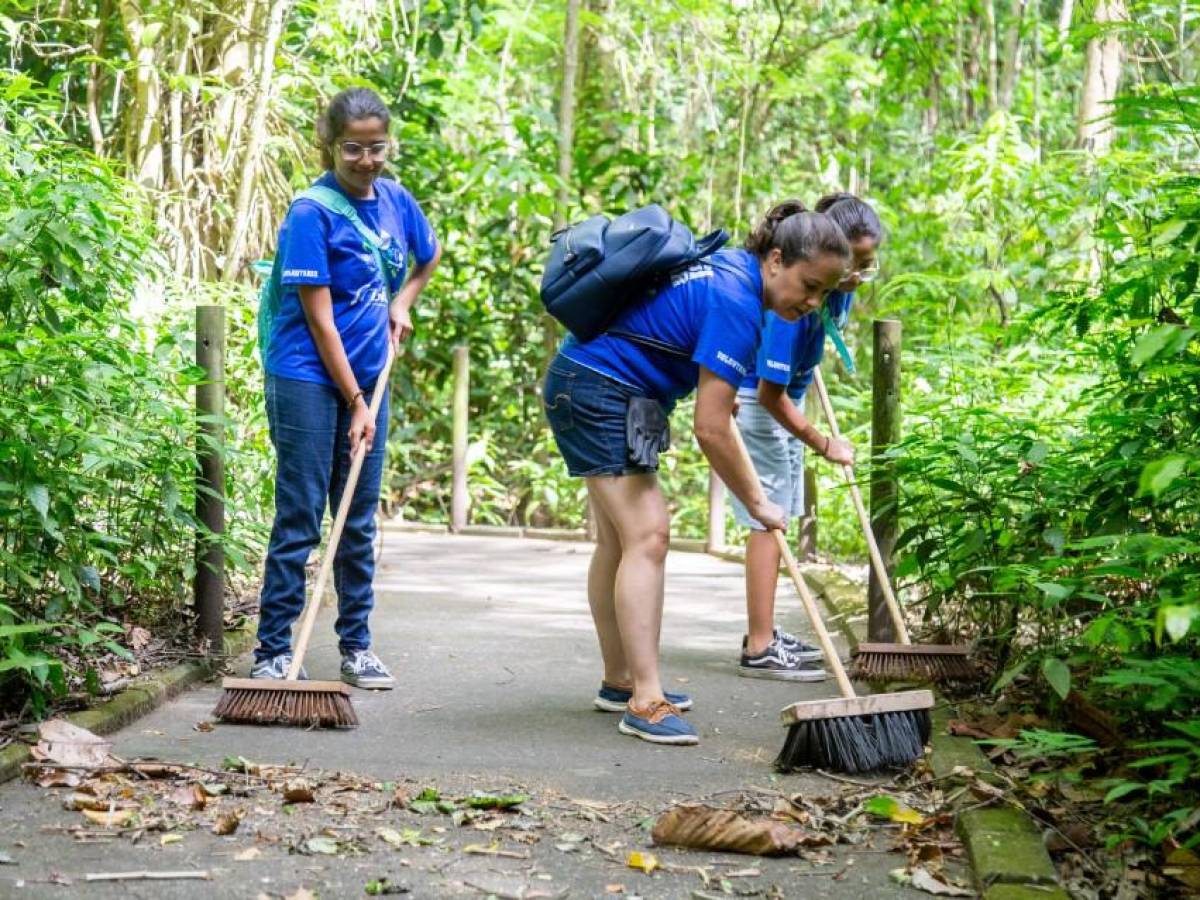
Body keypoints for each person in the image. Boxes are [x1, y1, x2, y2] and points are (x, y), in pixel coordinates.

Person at [542, 201, 850, 745]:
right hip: (599, 389)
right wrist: (758, 501)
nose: (812, 302)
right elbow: (711, 430)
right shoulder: (738, 300)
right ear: (776, 260)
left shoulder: (731, 270)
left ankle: (621, 681)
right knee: (649, 534)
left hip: (585, 379)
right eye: (809, 285)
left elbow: (681, 349)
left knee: (619, 540)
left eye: (825, 293)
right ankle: (646, 700)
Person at [252, 87, 441, 689]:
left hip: (368, 377)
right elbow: (320, 319)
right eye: (353, 148)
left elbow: (427, 258)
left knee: (357, 519)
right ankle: (274, 650)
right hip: (308, 376)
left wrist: (402, 303)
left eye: (376, 147)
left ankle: (357, 647)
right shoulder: (312, 213)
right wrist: (356, 402)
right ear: (329, 145)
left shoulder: (396, 199)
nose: (366, 159)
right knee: (303, 515)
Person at [730, 193, 882, 680]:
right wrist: (824, 444)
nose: (856, 275)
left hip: (785, 405)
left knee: (783, 517)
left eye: (867, 265)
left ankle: (767, 631)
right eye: (851, 264)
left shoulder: (832, 290)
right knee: (768, 522)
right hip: (764, 408)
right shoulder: (791, 306)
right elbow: (770, 394)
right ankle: (759, 645)